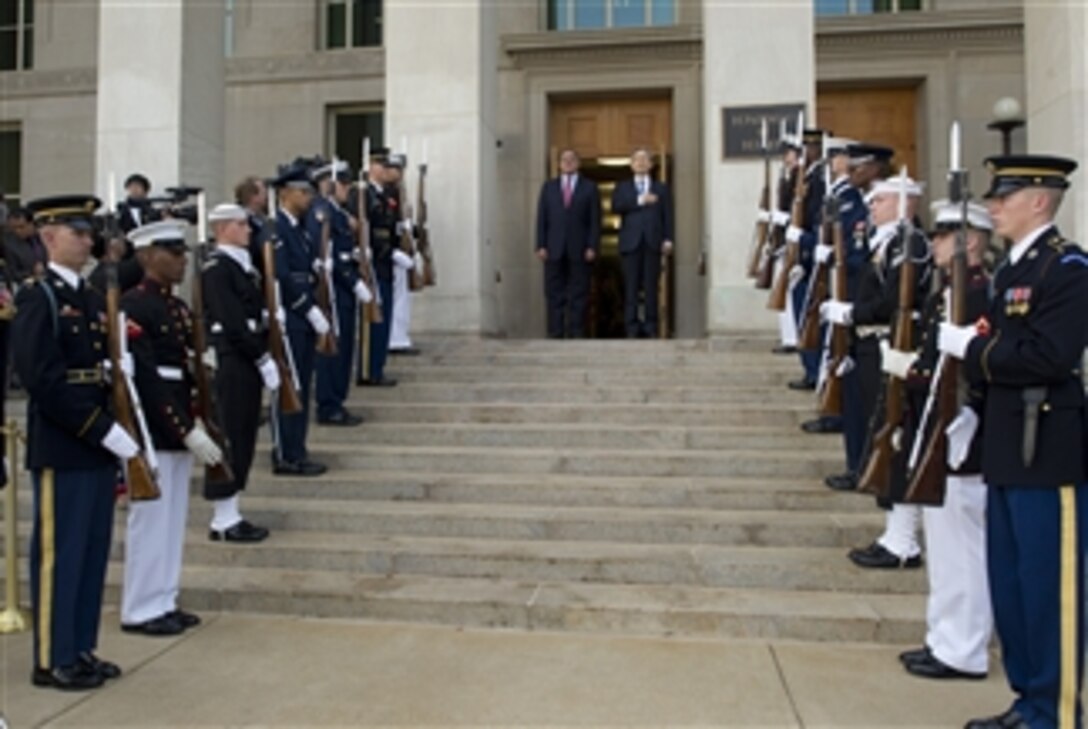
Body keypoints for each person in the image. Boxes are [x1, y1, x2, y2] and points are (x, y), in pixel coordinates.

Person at [938, 155, 1086, 729]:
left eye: (1006, 196)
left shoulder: (1067, 269)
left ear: (1041, 202)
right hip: (1005, 442)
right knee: (1013, 586)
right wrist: (971, 409)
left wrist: (969, 350)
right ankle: (1029, 703)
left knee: (1053, 592)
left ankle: (1058, 712)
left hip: (1047, 447)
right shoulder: (1009, 272)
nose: (993, 206)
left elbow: (1049, 355)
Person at [13, 194, 138, 690]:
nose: (87, 240)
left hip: (95, 442)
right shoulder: (37, 297)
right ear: (47, 238)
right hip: (66, 442)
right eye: (77, 232)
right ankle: (51, 658)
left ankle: (80, 648)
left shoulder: (88, 297)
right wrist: (101, 427)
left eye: (89, 233)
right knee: (59, 555)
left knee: (90, 551)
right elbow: (41, 379)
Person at [890, 200, 994, 681]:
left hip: (960, 439)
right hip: (935, 427)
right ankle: (945, 638)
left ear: (970, 241)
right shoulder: (949, 292)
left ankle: (964, 648)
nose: (932, 242)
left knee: (963, 549)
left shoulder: (977, 295)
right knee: (945, 548)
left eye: (944, 233)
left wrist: (964, 414)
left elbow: (971, 369)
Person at [119, 220, 222, 636]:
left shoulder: (178, 308)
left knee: (173, 516)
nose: (182, 261)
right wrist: (184, 428)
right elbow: (146, 378)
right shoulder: (134, 305)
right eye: (172, 253)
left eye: (183, 253)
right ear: (146, 257)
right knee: (150, 519)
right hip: (154, 427)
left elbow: (182, 372)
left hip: (180, 423)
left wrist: (201, 401)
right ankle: (140, 607)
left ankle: (164, 597)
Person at [816, 143, 893, 490]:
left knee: (871, 408)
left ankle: (867, 468)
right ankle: (858, 465)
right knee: (857, 403)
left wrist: (851, 310)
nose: (853, 173)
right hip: (857, 323)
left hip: (874, 330)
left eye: (860, 167)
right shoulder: (871, 224)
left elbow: (887, 293)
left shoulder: (901, 238)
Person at [201, 203, 274, 542]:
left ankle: (232, 512)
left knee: (243, 434)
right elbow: (231, 321)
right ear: (223, 229)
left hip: (247, 356)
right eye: (242, 224)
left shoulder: (242, 265)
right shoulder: (218, 268)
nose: (249, 230)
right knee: (230, 434)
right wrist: (261, 358)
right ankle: (223, 518)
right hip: (234, 359)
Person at [270, 161, 327, 476]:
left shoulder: (299, 229)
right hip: (289, 317)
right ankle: (284, 453)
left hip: (302, 317)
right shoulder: (277, 226)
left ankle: (297, 449)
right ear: (285, 193)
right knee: (289, 386)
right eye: (303, 192)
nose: (309, 198)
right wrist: (308, 307)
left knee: (302, 386)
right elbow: (281, 274)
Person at [311, 160, 370, 425]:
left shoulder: (338, 213)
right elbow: (328, 254)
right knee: (332, 351)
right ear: (331, 184)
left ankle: (337, 400)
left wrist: (357, 257)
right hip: (333, 292)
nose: (348, 189)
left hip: (343, 292)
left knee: (344, 349)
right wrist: (352, 279)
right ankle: (329, 403)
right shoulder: (323, 212)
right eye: (344, 184)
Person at [535, 148, 601, 339]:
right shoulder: (549, 187)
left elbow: (594, 220)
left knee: (579, 293)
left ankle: (576, 331)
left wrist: (592, 246)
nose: (568, 162)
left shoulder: (589, 188)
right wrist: (540, 245)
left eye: (572, 159)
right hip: (553, 248)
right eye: (564, 159)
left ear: (578, 163)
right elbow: (542, 219)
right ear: (559, 164)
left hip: (580, 249)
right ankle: (555, 331)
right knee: (554, 292)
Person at [611, 148, 673, 338]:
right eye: (636, 159)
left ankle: (651, 326)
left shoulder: (661, 188)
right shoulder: (623, 188)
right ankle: (631, 327)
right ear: (631, 165)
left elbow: (668, 216)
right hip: (630, 244)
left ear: (651, 164)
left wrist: (668, 239)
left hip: (653, 242)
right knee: (631, 287)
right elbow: (616, 206)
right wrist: (640, 200)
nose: (640, 162)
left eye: (644, 159)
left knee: (651, 286)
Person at [362, 149, 401, 386]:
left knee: (384, 317)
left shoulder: (386, 194)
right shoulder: (363, 193)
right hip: (374, 262)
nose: (386, 169)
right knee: (374, 319)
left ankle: (378, 366)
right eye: (381, 164)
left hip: (385, 263)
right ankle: (370, 369)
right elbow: (369, 231)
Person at [3, 206, 48, 281]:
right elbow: (12, 273)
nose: (17, 231)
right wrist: (32, 272)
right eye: (14, 228)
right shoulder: (10, 245)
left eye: (21, 227)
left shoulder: (46, 237)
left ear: (31, 224)